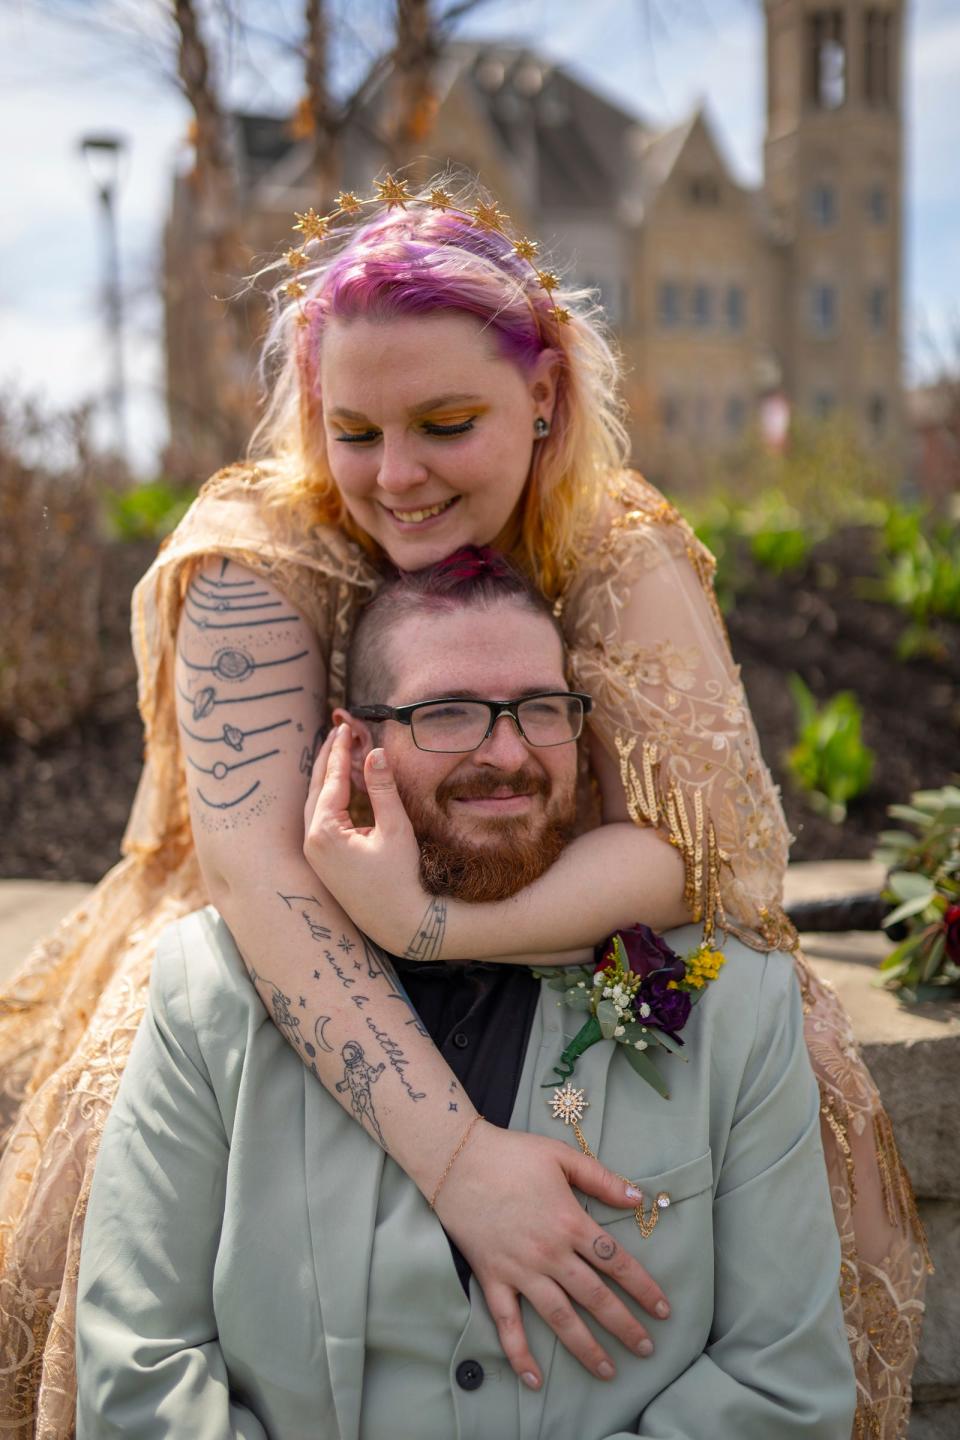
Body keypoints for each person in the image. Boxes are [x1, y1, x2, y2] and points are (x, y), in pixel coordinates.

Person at [0, 175, 926, 1440]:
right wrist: (458, 1160)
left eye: (447, 423)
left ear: (542, 398)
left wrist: (438, 927)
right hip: (281, 921)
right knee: (163, 1072)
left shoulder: (617, 547)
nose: (397, 476)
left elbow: (707, 861)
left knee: (777, 1040)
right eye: (355, 430)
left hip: (549, 902)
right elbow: (262, 880)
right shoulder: (260, 547)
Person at [75, 553, 857, 1438]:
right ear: (356, 744)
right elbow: (136, 1379)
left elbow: (782, 1392)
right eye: (446, 713)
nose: (509, 752)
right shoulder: (212, 993)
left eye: (541, 710)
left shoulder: (732, 1004)